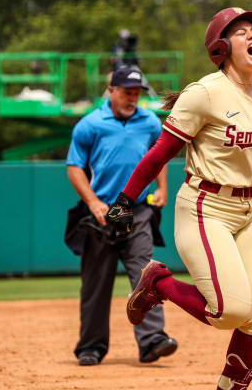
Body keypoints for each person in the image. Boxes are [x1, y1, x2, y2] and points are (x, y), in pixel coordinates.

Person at [105, 7, 252, 389]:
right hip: (205, 207)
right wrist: (125, 199)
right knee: (229, 311)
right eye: (242, 31)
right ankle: (158, 283)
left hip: (251, 210)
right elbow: (160, 152)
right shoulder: (205, 93)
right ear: (221, 47)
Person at [66, 66, 178, 366]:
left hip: (138, 212)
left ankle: (152, 341)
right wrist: (92, 202)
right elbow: (74, 167)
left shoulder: (150, 122)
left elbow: (159, 156)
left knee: (147, 277)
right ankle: (91, 346)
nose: (132, 98)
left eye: (137, 93)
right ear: (112, 90)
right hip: (101, 214)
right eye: (127, 92)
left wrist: (163, 187)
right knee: (95, 284)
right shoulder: (90, 124)